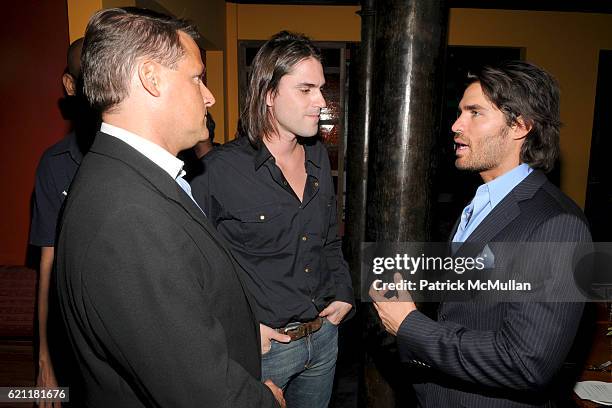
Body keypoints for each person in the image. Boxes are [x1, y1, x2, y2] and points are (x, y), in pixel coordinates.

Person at [54, 8, 283, 407]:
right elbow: (201, 394)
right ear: (151, 77)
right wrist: (267, 402)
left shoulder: (129, 175)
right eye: (197, 77)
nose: (209, 95)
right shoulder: (128, 215)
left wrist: (243, 330)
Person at [371, 61, 591, 407]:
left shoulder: (559, 225)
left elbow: (526, 363)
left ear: (521, 125)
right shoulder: (481, 200)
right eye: (460, 112)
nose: (456, 126)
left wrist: (410, 324)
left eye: (475, 113)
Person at [191, 31, 354, 408]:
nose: (321, 102)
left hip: (324, 340)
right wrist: (241, 331)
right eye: (306, 89)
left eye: (321, 89)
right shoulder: (216, 172)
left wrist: (343, 291)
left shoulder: (317, 159)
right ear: (268, 93)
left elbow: (329, 239)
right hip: (262, 351)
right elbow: (192, 271)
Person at [30, 37, 90, 406]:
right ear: (70, 85)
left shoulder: (153, 156)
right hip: (74, 347)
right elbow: (47, 266)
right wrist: (45, 362)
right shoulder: (56, 164)